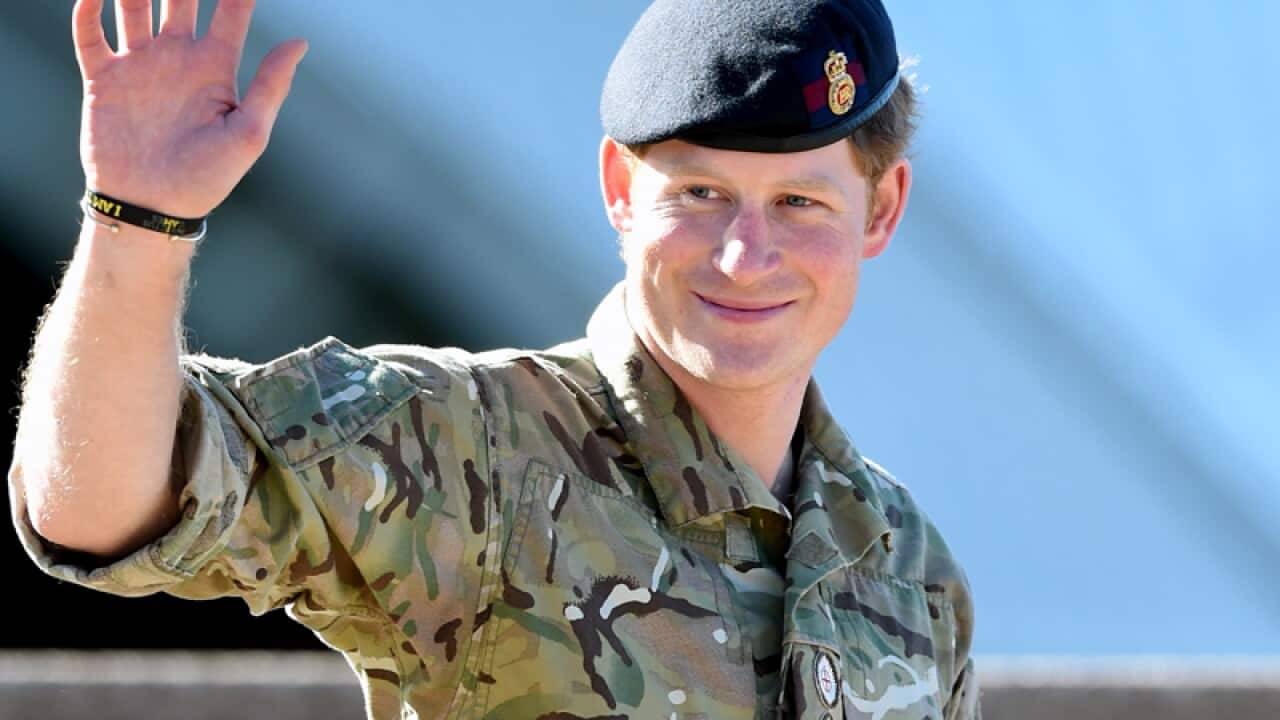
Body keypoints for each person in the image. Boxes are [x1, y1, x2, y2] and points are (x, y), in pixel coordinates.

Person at [8, 0, 981, 717]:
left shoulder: (903, 566)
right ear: (618, 187)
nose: (742, 256)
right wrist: (139, 224)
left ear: (880, 210)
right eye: (697, 193)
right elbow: (95, 509)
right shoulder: (466, 451)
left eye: (798, 204)